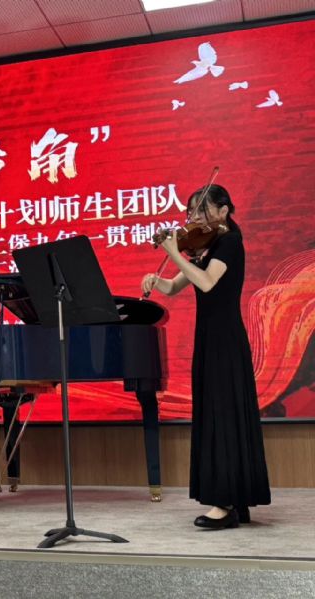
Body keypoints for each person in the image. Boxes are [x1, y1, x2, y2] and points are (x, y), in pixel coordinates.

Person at [141, 184, 271, 529]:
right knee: (217, 412)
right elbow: (176, 286)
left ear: (224, 210)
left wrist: (174, 252)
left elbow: (208, 282)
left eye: (202, 210)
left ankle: (224, 504)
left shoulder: (230, 242)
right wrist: (156, 280)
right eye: (191, 211)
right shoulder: (208, 245)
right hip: (210, 338)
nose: (194, 217)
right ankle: (236, 500)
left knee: (222, 414)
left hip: (225, 339)